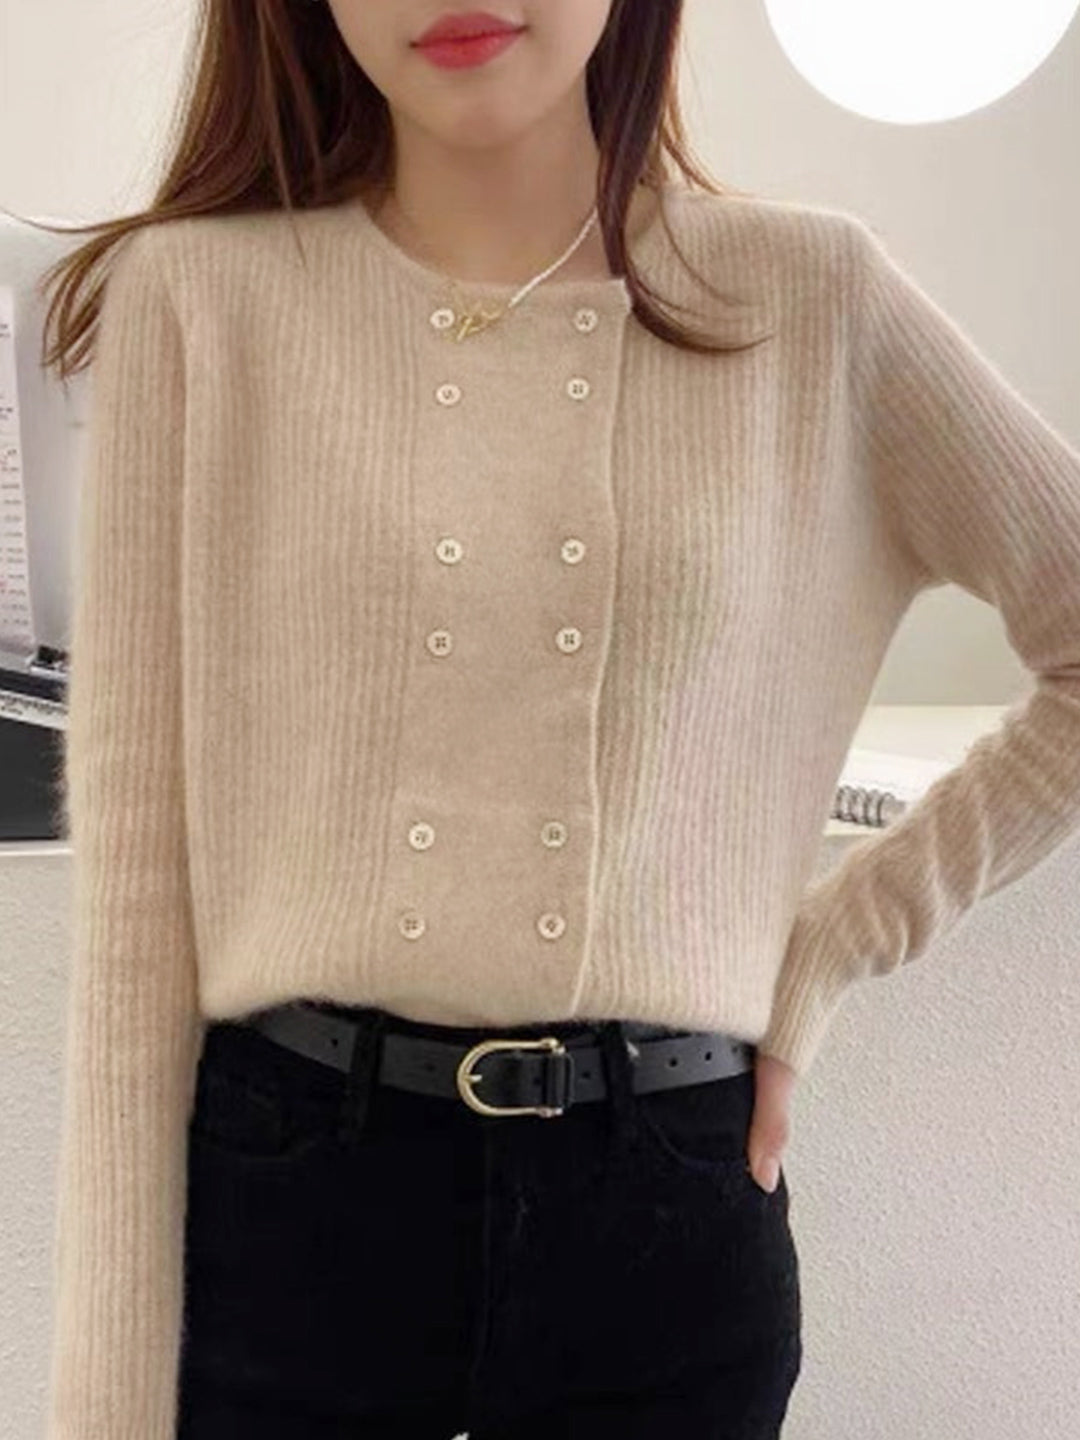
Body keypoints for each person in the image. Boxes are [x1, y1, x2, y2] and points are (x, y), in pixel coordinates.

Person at [35, 1, 1080, 1437]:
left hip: (666, 1227)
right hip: (286, 1217)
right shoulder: (200, 301)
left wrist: (836, 942)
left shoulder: (815, 297)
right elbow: (137, 907)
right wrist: (104, 1406)